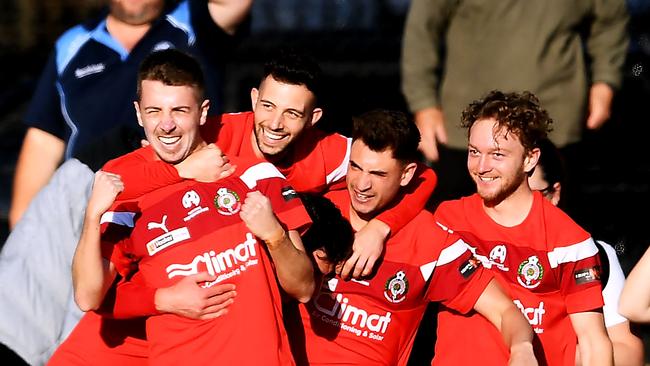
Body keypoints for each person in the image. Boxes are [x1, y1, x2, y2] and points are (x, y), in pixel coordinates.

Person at [68, 48, 314, 365]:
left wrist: (275, 237)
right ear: (139, 113)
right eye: (154, 111)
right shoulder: (130, 197)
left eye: (180, 111)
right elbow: (88, 296)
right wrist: (92, 217)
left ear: (202, 112)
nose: (166, 125)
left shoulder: (256, 175)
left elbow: (304, 288)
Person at [287, 109, 538, 365]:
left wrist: (522, 349)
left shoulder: (431, 241)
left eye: (378, 174)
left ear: (406, 175)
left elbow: (506, 311)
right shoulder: (314, 212)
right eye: (355, 167)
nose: (361, 184)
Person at [9, 0, 253, 228]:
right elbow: (43, 142)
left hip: (187, 208)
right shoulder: (72, 45)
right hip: (91, 213)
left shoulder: (193, 21)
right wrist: (23, 231)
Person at [433, 90, 612, 365]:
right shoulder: (448, 220)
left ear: (530, 159)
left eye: (497, 154)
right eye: (474, 152)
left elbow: (592, 341)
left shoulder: (570, 241)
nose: (482, 166)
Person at [400, 0, 629, 206]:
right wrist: (424, 104)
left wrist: (605, 81)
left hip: (556, 124)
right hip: (467, 130)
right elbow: (423, 26)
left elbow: (611, 18)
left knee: (555, 234)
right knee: (458, 237)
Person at [529, 138, 644, 366]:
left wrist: (572, 355)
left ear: (555, 193)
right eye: (510, 195)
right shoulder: (477, 253)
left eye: (531, 196)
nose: (519, 206)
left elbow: (629, 350)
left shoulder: (593, 253)